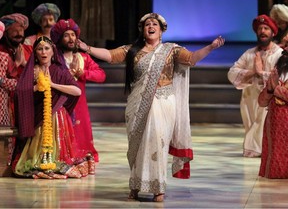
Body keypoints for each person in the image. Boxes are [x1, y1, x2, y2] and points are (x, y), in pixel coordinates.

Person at [77, 12, 225, 202]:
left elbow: (192, 58)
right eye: (147, 24)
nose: (151, 26)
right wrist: (86, 48)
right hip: (137, 104)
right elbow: (109, 55)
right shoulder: (133, 50)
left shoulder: (171, 50)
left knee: (158, 143)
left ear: (161, 30)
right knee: (137, 145)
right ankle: (136, 185)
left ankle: (158, 188)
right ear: (143, 29)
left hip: (163, 103)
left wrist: (211, 47)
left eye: (154, 24)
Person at [12, 36, 90, 179]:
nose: (43, 52)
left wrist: (53, 85)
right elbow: (20, 93)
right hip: (39, 118)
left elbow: (77, 91)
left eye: (47, 48)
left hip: (58, 117)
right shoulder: (31, 71)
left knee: (59, 150)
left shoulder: (59, 70)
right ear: (35, 53)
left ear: (53, 52)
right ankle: (42, 162)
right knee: (36, 158)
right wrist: (36, 87)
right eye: (40, 49)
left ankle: (56, 161)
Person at [50, 18, 106, 174]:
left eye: (73, 35)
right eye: (66, 35)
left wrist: (83, 73)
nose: (71, 38)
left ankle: (82, 159)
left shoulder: (83, 58)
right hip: (59, 104)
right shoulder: (53, 59)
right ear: (59, 38)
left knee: (82, 135)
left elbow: (101, 75)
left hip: (80, 105)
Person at [227, 14, 283, 158]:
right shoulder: (250, 54)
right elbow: (232, 73)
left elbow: (281, 78)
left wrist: (261, 72)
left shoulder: (279, 54)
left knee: (264, 124)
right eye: (260, 29)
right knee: (251, 124)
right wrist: (253, 72)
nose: (262, 31)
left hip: (270, 99)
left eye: (266, 28)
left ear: (272, 32)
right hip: (250, 99)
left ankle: (265, 152)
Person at [258, 46, 288, 178]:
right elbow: (262, 102)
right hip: (274, 123)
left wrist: (275, 88)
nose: (284, 50)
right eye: (284, 47)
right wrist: (270, 89)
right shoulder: (276, 73)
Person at [0, 21, 17, 166]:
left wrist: (2, 81)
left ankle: (4, 166)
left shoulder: (4, 58)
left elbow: (16, 83)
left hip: (1, 108)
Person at [0, 13, 32, 78]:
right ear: (5, 33)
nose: (19, 33)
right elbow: (2, 79)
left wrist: (25, 63)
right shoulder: (1, 51)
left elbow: (40, 73)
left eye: (21, 30)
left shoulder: (30, 49)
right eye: (14, 30)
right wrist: (17, 63)